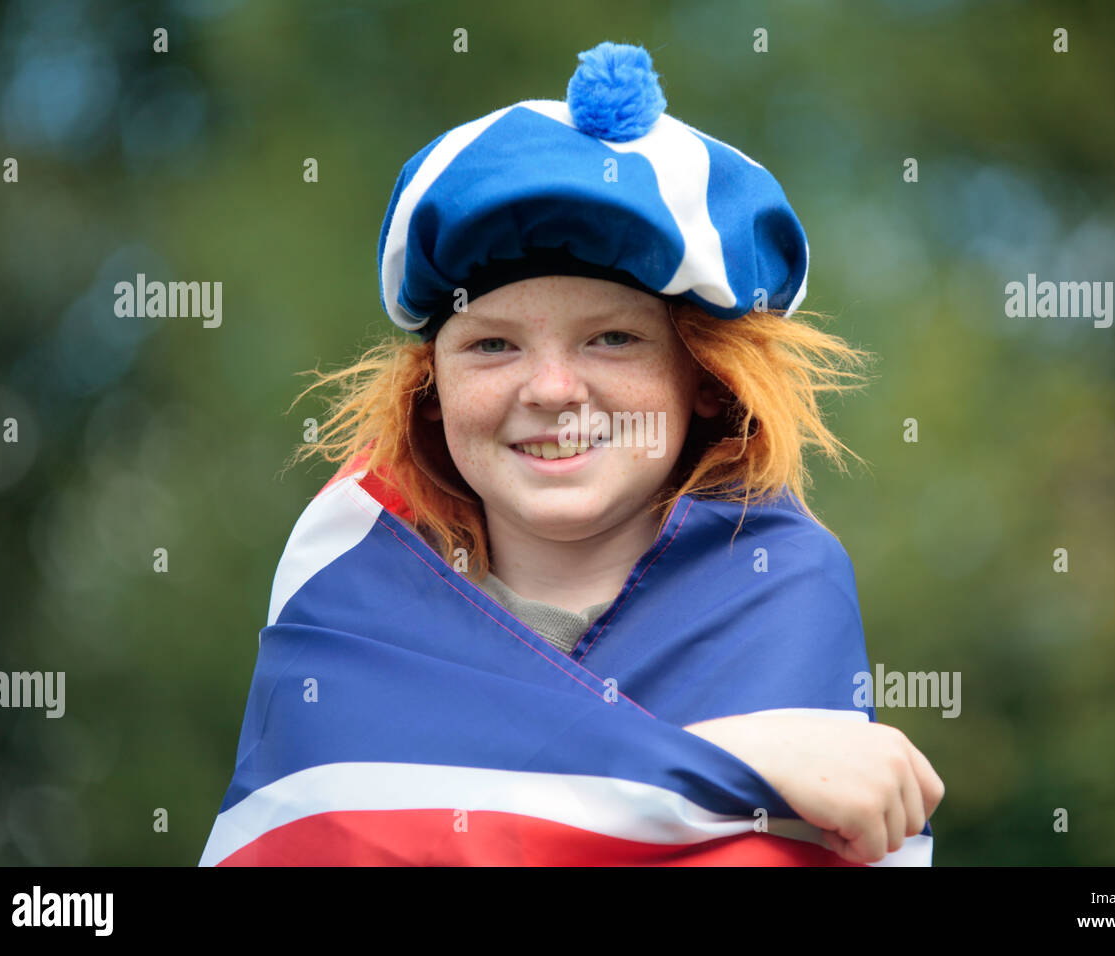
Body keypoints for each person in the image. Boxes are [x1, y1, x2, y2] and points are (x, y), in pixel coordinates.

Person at [200, 41, 942, 867]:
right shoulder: (344, 601)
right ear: (434, 388)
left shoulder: (783, 592)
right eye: (491, 347)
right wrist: (737, 762)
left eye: (613, 339)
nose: (552, 390)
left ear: (702, 378)